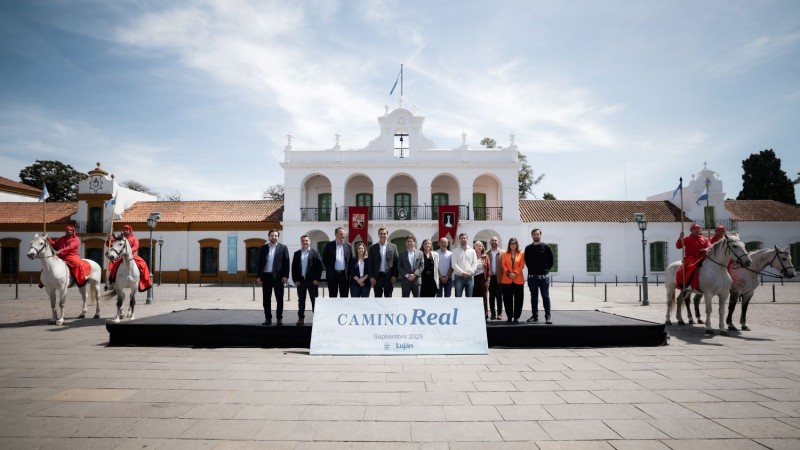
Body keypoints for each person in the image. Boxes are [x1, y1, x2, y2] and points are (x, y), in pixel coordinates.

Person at [256, 229, 289, 325]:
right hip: (266, 277)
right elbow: (259, 263)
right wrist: (258, 276)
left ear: (278, 237)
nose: (274, 237)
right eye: (272, 235)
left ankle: (279, 318)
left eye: (275, 236)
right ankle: (268, 318)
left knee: (279, 299)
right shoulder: (263, 248)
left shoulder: (283, 248)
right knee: (266, 299)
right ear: (269, 237)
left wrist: (286, 276)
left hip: (279, 278)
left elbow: (286, 263)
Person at [107, 224, 151, 291]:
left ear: (130, 231)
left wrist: (128, 251)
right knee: (113, 265)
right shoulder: (120, 238)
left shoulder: (134, 239)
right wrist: (109, 240)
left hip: (132, 256)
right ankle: (111, 282)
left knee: (143, 264)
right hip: (121, 256)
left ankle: (145, 282)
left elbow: (136, 247)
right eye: (124, 230)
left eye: (127, 230)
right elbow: (110, 244)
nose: (126, 231)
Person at [524, 228, 554, 324]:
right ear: (531, 236)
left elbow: (551, 261)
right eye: (534, 234)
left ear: (540, 235)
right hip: (532, 278)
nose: (536, 236)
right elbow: (527, 261)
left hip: (543, 278)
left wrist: (545, 270)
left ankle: (548, 316)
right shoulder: (528, 248)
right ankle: (535, 316)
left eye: (537, 234)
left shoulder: (546, 247)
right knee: (533, 297)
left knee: (545, 296)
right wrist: (533, 270)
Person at [291, 234, 322, 325]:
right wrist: (295, 280)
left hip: (312, 282)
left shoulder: (315, 252)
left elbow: (319, 267)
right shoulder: (297, 254)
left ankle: (317, 319)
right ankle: (301, 318)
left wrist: (317, 279)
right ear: (301, 242)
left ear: (310, 241)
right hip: (300, 282)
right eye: (303, 241)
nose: (305, 242)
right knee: (301, 301)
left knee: (314, 300)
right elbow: (294, 268)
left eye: (306, 241)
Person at [675, 223, 711, 290]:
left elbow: (710, 246)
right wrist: (680, 238)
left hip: (703, 257)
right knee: (691, 267)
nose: (697, 230)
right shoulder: (687, 238)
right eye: (695, 229)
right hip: (691, 258)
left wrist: (706, 249)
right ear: (691, 230)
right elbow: (678, 246)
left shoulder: (704, 239)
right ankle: (687, 283)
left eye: (698, 229)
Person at [368, 227, 398, 297]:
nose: (383, 235)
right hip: (377, 277)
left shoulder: (393, 247)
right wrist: (371, 277)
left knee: (388, 297)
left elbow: (396, 262)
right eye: (381, 233)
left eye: (384, 233)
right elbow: (370, 264)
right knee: (377, 297)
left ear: (387, 234)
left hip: (389, 277)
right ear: (378, 235)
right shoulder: (373, 248)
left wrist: (394, 275)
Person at [322, 227, 352, 297]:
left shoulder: (349, 246)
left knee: (344, 296)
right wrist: (331, 268)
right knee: (332, 296)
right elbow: (324, 259)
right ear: (336, 234)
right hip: (333, 275)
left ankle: (343, 308)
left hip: (344, 275)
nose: (343, 236)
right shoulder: (328, 245)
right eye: (341, 234)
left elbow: (350, 260)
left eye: (344, 234)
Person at [501, 237, 525, 323]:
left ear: (516, 244)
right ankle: (509, 316)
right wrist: (508, 273)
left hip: (518, 279)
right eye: (511, 243)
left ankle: (516, 317)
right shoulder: (505, 254)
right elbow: (503, 265)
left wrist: (515, 273)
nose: (513, 245)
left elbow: (522, 265)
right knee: (507, 299)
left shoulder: (521, 254)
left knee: (519, 299)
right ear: (509, 245)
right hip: (506, 280)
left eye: (514, 243)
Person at [451, 233, 478, 297]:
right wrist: (462, 273)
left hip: (469, 277)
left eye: (464, 238)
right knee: (458, 297)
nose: (463, 239)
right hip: (458, 277)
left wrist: (469, 273)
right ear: (459, 240)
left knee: (469, 297)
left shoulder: (472, 251)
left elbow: (474, 263)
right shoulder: (455, 251)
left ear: (467, 239)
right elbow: (454, 264)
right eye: (461, 238)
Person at [487, 236, 504, 321]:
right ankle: (493, 314)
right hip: (490, 278)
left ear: (498, 242)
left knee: (499, 297)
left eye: (495, 240)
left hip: (500, 277)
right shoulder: (486, 253)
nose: (494, 242)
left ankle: (500, 313)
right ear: (490, 242)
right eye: (492, 240)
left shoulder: (503, 253)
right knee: (491, 297)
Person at [473, 241, 491, 321]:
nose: (478, 247)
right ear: (474, 247)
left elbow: (488, 268)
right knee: (474, 296)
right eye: (477, 246)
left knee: (484, 297)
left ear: (482, 247)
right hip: (474, 278)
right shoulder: (472, 256)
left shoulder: (485, 257)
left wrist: (488, 279)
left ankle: (485, 316)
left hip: (483, 279)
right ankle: (475, 315)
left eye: (480, 246)